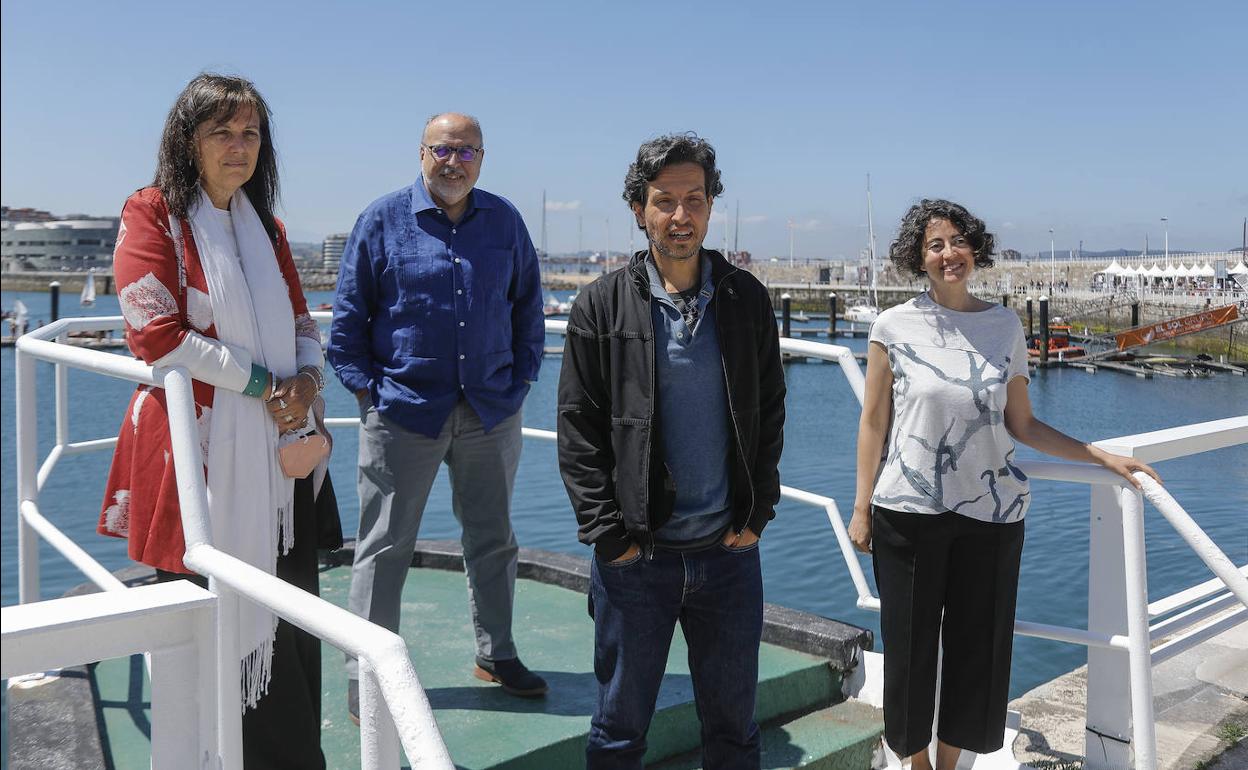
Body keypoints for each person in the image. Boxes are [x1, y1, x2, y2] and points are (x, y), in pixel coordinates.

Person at [848, 199, 1161, 770]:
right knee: (912, 651)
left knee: (979, 653)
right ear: (919, 257)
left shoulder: (1005, 326)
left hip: (991, 518)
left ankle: (949, 764)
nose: (950, 254)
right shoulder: (891, 325)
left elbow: (1023, 423)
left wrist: (1099, 456)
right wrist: (861, 507)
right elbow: (873, 422)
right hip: (906, 513)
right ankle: (916, 766)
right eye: (936, 245)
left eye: (958, 242)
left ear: (976, 251)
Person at [97, 73, 340, 769]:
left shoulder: (267, 226)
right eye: (222, 133)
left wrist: (305, 378)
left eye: (251, 133)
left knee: (290, 625)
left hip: (275, 465)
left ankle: (290, 757)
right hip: (197, 462)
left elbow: (300, 319)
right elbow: (155, 332)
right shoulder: (154, 214)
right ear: (188, 141)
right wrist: (265, 383)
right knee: (202, 623)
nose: (240, 147)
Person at [557, 133, 785, 769]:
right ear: (639, 209)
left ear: (712, 207)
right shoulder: (600, 305)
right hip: (636, 563)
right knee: (618, 732)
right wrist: (610, 537)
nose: (680, 216)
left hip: (729, 559)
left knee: (735, 732)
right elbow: (579, 432)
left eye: (694, 199)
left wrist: (755, 516)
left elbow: (769, 415)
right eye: (664, 201)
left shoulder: (746, 300)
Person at [328, 112, 547, 714]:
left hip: (489, 412)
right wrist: (370, 398)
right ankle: (367, 675)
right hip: (402, 413)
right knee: (383, 546)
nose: (456, 162)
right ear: (422, 152)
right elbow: (347, 323)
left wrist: (520, 380)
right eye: (444, 150)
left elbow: (528, 307)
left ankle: (496, 652)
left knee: (493, 540)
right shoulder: (380, 220)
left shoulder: (504, 221)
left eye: (468, 152)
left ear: (483, 158)